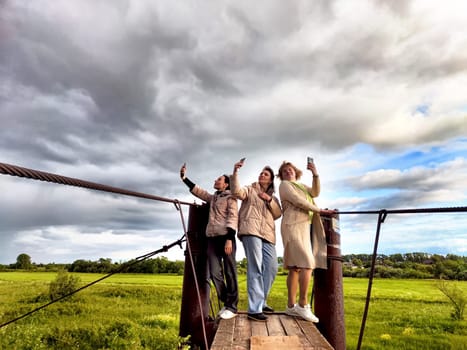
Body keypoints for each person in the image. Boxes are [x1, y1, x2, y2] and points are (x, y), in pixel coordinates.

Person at [277, 160, 336, 323]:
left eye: (290, 170)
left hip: (306, 226)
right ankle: (303, 305)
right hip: (293, 225)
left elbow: (315, 193)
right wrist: (320, 210)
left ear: (296, 172)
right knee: (307, 263)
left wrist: (315, 174)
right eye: (284, 171)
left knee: (295, 267)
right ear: (281, 176)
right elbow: (297, 201)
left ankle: (290, 306)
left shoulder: (302, 186)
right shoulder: (285, 186)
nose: (287, 172)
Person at [180, 163, 239, 320]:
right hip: (212, 239)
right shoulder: (213, 198)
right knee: (214, 273)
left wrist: (229, 239)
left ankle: (232, 306)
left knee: (229, 272)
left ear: (226, 184)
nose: (215, 180)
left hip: (226, 238)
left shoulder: (231, 198)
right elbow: (199, 192)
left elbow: (233, 217)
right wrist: (184, 178)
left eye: (219, 179)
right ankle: (227, 302)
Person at [230, 159, 282, 322]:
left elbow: (278, 214)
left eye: (265, 174)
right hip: (251, 230)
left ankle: (262, 301)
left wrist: (268, 199)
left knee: (272, 268)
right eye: (261, 173)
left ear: (271, 179)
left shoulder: (273, 197)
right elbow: (237, 192)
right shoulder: (250, 189)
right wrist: (235, 173)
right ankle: (254, 309)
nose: (262, 175)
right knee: (256, 266)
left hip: (268, 234)